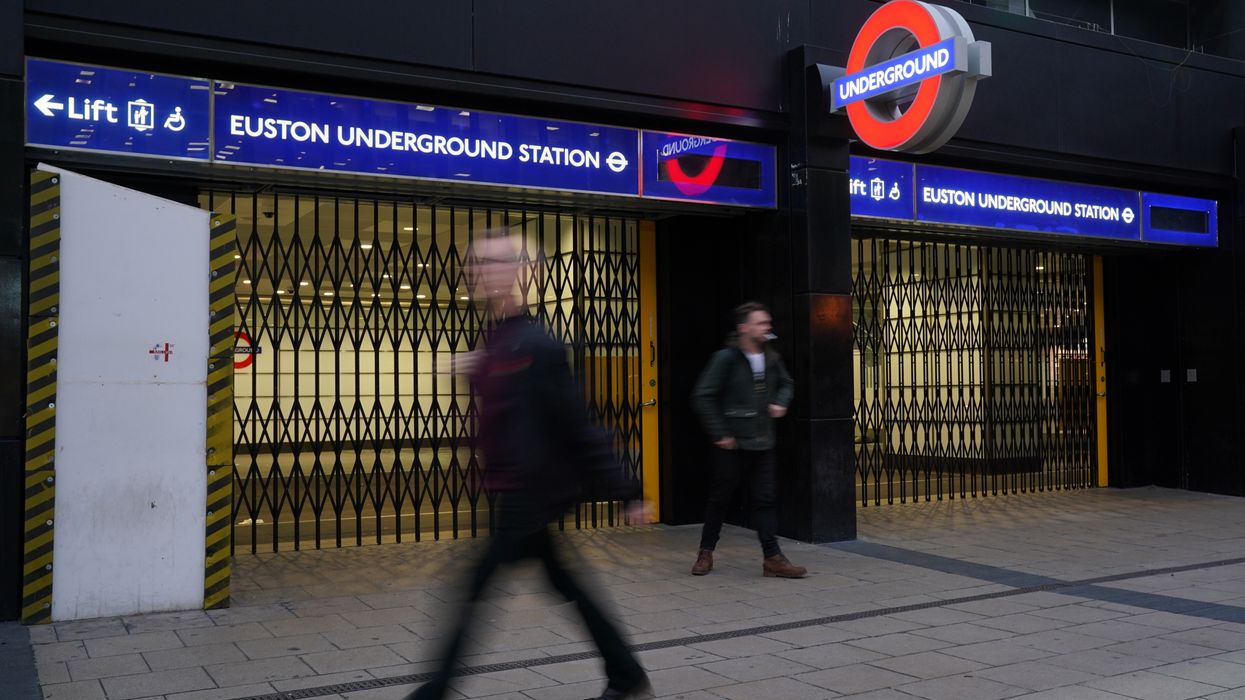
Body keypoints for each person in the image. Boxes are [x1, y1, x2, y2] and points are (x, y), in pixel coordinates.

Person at [407, 233, 651, 700]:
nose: (479, 271)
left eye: (492, 262)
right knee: (568, 583)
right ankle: (625, 674)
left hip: (527, 491)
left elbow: (578, 423)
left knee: (473, 587)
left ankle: (435, 690)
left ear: (519, 271)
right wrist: (471, 366)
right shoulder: (499, 337)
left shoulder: (535, 343)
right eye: (474, 262)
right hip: (508, 487)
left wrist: (628, 491)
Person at [689, 301, 806, 579]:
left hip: (763, 442)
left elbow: (787, 383)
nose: (767, 327)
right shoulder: (726, 358)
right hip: (733, 444)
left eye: (768, 323)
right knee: (720, 500)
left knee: (765, 500)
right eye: (761, 323)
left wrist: (781, 401)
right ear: (744, 327)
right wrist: (720, 433)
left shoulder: (771, 357)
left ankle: (773, 558)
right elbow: (702, 396)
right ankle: (705, 552)